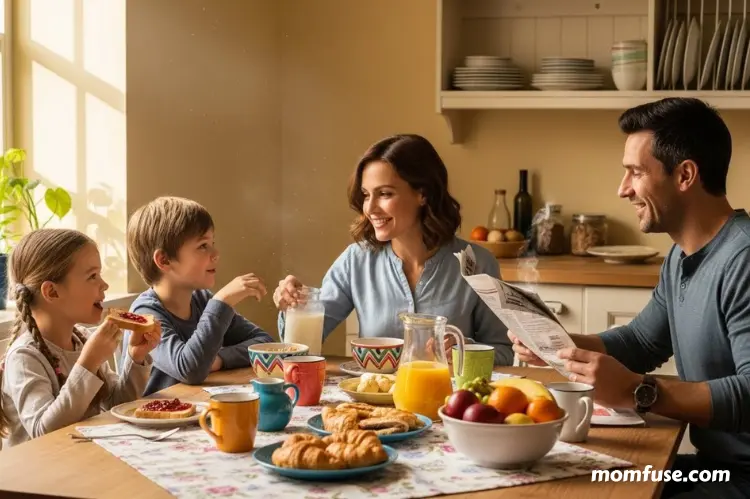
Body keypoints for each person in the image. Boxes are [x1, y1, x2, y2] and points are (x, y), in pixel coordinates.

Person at [511, 98, 750, 498]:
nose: (623, 189)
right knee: (575, 482)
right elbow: (641, 343)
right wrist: (557, 343)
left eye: (635, 172)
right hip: (708, 471)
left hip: (736, 481)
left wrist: (639, 391)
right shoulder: (681, 256)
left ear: (685, 175)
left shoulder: (742, 258)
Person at [274, 134, 513, 365]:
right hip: (375, 403)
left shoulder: (478, 264)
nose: (371, 208)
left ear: (423, 194)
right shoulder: (355, 261)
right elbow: (301, 347)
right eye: (367, 195)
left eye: (385, 194)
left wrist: (463, 349)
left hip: (447, 403)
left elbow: (503, 351)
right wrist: (294, 305)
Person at [0, 229, 159, 448]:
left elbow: (116, 403)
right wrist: (88, 363)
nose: (104, 285)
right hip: (35, 476)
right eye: (92, 276)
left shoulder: (82, 338)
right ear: (52, 292)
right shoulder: (24, 357)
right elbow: (43, 431)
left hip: (79, 461)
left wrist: (136, 358)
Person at [125, 196, 273, 396]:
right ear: (164, 260)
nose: (216, 253)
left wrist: (218, 359)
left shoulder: (202, 300)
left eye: (212, 243)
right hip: (154, 423)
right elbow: (190, 369)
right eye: (203, 246)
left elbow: (265, 343)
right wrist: (222, 301)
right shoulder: (145, 315)